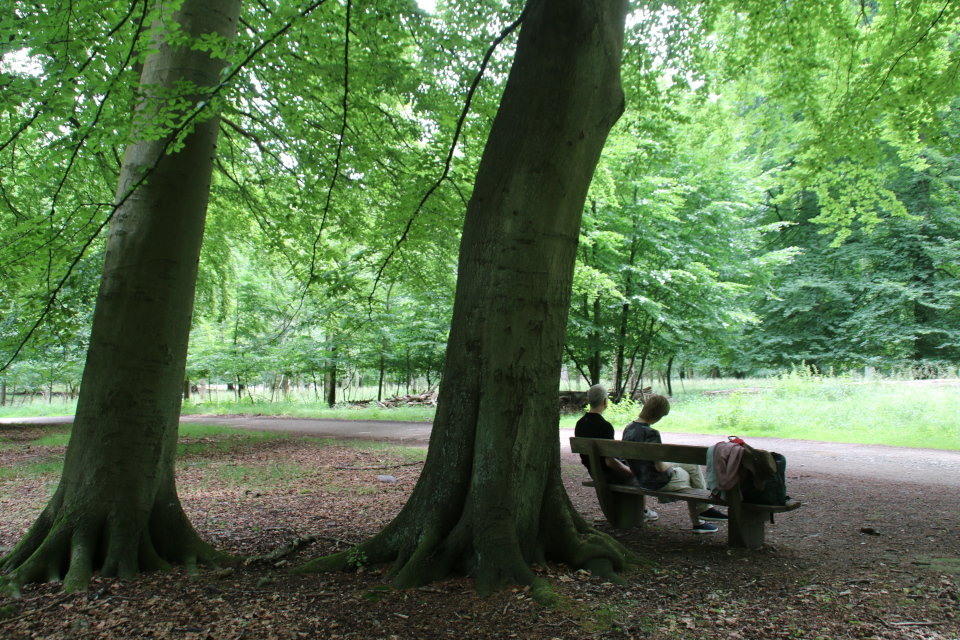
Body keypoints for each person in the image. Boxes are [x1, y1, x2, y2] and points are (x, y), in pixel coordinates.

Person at [622, 394, 728, 534]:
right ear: (657, 414)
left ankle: (702, 516)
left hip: (640, 477)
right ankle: (702, 515)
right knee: (690, 474)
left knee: (691, 465)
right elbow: (660, 467)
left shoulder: (628, 429)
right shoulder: (651, 433)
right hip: (657, 481)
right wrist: (671, 463)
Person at [574, 384, 658, 522]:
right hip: (609, 474)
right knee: (637, 472)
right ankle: (643, 511)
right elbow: (610, 461)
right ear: (605, 401)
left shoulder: (580, 423)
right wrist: (631, 471)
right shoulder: (605, 426)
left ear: (588, 400)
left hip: (593, 472)